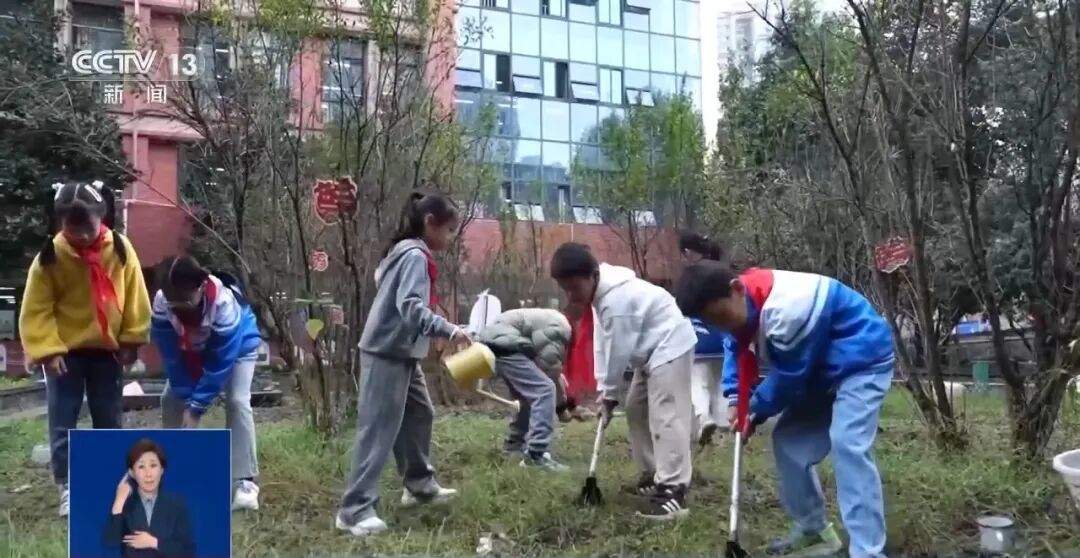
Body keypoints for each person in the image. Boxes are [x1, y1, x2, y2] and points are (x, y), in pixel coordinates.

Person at [674, 261, 895, 558]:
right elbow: (734, 347)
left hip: (862, 361)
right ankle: (814, 531)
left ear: (736, 289)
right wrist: (735, 398)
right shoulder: (741, 301)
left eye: (721, 318)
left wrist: (752, 410)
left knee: (848, 444)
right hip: (821, 369)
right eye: (712, 323)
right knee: (789, 443)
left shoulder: (789, 309)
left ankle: (868, 551)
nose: (722, 327)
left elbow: (790, 377)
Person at [336, 191, 470, 537]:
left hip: (403, 351)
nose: (451, 238)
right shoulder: (413, 256)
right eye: (449, 230)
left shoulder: (408, 252)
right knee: (378, 429)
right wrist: (448, 330)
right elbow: (410, 307)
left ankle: (419, 485)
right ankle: (354, 510)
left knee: (420, 413)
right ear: (430, 223)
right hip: (386, 351)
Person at [19, 180, 151, 517]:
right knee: (63, 420)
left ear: (101, 216)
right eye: (71, 228)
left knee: (109, 419)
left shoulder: (119, 249)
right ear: (59, 222)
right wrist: (48, 350)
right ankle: (68, 486)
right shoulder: (50, 257)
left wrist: (132, 339)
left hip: (107, 352)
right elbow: (37, 308)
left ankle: (112, 483)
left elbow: (135, 295)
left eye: (87, 228)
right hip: (65, 355)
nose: (80, 235)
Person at [549, 242, 697, 520]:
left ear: (593, 275)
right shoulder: (599, 295)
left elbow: (618, 351)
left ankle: (673, 489)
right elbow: (602, 342)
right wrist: (604, 389)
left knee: (666, 415)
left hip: (670, 344)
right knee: (636, 409)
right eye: (565, 289)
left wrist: (609, 394)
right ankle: (653, 473)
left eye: (575, 288)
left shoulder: (616, 302)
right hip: (649, 350)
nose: (570, 295)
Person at [150, 256, 263, 511]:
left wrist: (196, 407)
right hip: (192, 351)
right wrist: (184, 395)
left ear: (201, 287)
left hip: (237, 349)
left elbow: (221, 362)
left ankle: (245, 482)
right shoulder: (162, 301)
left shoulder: (223, 303)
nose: (180, 308)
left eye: (186, 300)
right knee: (170, 399)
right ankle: (174, 470)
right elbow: (169, 353)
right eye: (174, 302)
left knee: (237, 401)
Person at [476, 307, 572, 471]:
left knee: (527, 396)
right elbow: (549, 368)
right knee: (544, 390)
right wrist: (562, 407)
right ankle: (536, 454)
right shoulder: (561, 329)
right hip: (506, 344)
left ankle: (514, 446)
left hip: (493, 342)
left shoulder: (550, 319)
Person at [103, 438, 194, 557]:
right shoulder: (124, 504)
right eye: (141, 467)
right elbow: (110, 542)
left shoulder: (176, 504)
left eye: (153, 465)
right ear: (132, 473)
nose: (148, 474)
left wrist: (154, 542)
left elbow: (188, 551)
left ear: (162, 470)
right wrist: (119, 501)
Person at [678, 231, 728, 446]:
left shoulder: (691, 276)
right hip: (723, 338)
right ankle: (724, 427)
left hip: (698, 339)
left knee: (698, 383)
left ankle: (704, 418)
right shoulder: (722, 274)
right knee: (720, 384)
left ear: (688, 252)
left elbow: (682, 309)